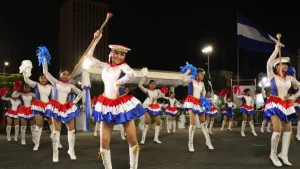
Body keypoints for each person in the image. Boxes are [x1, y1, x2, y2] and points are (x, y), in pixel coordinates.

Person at [85, 30, 146, 169]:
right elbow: (88, 58)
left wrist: (119, 83)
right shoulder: (105, 66)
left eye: (122, 54)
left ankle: (133, 167)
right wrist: (96, 39)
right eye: (116, 53)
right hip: (107, 104)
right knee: (104, 142)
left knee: (132, 138)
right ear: (111, 53)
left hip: (122, 104)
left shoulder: (124, 66)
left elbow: (132, 74)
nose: (119, 56)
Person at [38, 46, 83, 162]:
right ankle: (55, 153)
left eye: (68, 74)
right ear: (60, 75)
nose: (66, 76)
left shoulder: (71, 86)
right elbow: (45, 72)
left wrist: (74, 102)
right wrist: (44, 60)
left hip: (67, 108)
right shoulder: (55, 81)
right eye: (64, 74)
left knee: (71, 130)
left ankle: (71, 150)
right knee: (56, 131)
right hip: (56, 107)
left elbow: (81, 93)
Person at [264, 44, 300, 167]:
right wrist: (276, 50)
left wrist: (293, 97)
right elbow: (268, 63)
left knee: (288, 131)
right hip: (274, 103)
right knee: (277, 130)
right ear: (277, 65)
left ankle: (283, 154)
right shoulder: (272, 76)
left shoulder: (290, 78)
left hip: (286, 105)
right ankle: (273, 154)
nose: (286, 65)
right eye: (283, 63)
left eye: (287, 64)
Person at [180, 67, 214, 152]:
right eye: (201, 74)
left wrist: (204, 98)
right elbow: (183, 79)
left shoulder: (202, 84)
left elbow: (203, 93)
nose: (202, 76)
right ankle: (190, 144)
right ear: (197, 73)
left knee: (204, 124)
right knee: (193, 123)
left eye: (203, 74)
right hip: (191, 102)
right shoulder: (191, 80)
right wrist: (188, 71)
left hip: (199, 103)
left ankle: (208, 142)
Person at [138, 68, 165, 144]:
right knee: (147, 121)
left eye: (154, 84)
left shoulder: (157, 91)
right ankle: (143, 139)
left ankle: (156, 138)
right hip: (147, 105)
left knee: (158, 122)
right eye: (151, 84)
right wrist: (144, 77)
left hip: (155, 106)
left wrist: (162, 92)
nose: (153, 85)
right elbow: (139, 85)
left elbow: (162, 95)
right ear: (149, 85)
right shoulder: (147, 90)